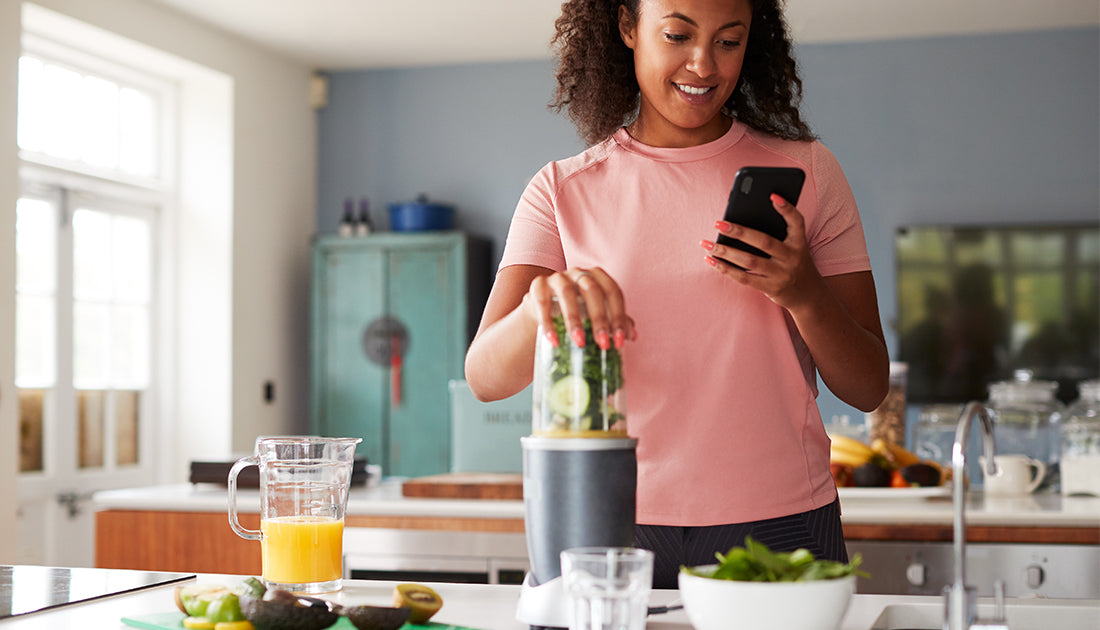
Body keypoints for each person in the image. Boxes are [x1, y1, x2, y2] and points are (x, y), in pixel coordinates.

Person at [464, 0, 889, 588]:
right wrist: (544, 304)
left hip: (782, 517)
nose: (703, 64)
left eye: (728, 41)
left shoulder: (810, 173)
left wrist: (804, 292)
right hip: (606, 519)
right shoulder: (561, 191)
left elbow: (868, 387)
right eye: (678, 34)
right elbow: (486, 378)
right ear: (627, 27)